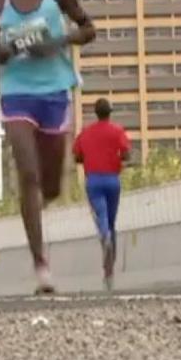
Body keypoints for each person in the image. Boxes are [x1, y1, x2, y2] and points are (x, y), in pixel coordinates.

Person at [0, 0, 98, 294]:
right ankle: (40, 264)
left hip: (54, 92)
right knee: (28, 174)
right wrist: (2, 54)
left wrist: (61, 40)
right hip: (17, 93)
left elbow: (89, 29)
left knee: (49, 184)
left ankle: (38, 205)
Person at [72, 98, 131, 288]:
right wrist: (119, 160)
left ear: (95, 113)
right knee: (113, 221)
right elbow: (126, 154)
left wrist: (86, 158)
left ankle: (104, 238)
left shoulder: (85, 133)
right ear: (110, 112)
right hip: (113, 180)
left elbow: (77, 156)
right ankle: (109, 271)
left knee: (101, 216)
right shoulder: (117, 131)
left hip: (94, 181)